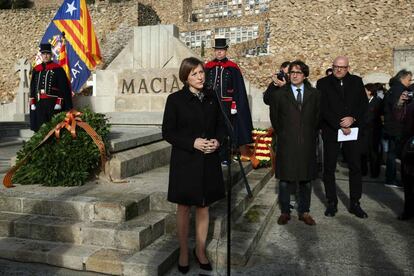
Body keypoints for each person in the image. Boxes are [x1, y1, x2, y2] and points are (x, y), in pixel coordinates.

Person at [162, 57, 225, 274]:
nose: (200, 77)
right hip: (185, 161)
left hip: (208, 160)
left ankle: (200, 250)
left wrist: (217, 141)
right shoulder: (175, 100)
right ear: (185, 77)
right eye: (194, 74)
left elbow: (221, 125)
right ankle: (183, 252)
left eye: (201, 73)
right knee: (183, 206)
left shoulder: (211, 97)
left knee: (204, 206)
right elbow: (168, 133)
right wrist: (192, 142)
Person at [269, 60, 320, 226]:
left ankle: (304, 211)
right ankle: (285, 211)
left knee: (306, 179)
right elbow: (275, 119)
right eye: (292, 72)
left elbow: (318, 118)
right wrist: (283, 134)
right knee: (285, 179)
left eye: (298, 72)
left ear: (305, 75)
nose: (295, 75)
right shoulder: (279, 95)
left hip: (307, 142)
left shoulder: (315, 94)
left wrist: (309, 133)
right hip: (287, 142)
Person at [317, 56, 369, 218]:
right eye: (336, 67)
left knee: (355, 167)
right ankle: (332, 202)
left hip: (352, 130)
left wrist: (352, 119)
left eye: (343, 67)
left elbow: (363, 106)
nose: (339, 70)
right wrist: (339, 124)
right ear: (332, 67)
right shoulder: (323, 83)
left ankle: (355, 203)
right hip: (332, 130)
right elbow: (322, 108)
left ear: (348, 68)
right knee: (329, 168)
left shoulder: (356, 81)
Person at [205, 38, 253, 159]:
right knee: (211, 128)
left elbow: (239, 89)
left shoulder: (233, 68)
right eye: (217, 50)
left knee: (225, 131)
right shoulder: (208, 67)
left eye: (221, 50)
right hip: (210, 105)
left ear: (226, 51)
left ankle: (225, 157)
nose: (219, 52)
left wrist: (235, 104)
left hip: (227, 106)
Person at [29, 43, 72, 132]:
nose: (45, 56)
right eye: (43, 54)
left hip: (52, 103)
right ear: (41, 55)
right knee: (41, 127)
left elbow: (63, 87)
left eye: (47, 54)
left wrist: (59, 102)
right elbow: (33, 87)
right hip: (39, 103)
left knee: (54, 127)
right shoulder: (36, 69)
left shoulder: (58, 69)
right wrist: (32, 102)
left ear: (51, 55)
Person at [383, 69, 412, 188]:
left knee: (392, 152)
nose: (410, 82)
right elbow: (397, 108)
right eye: (409, 79)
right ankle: (391, 179)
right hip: (397, 126)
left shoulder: (393, 89)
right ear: (402, 78)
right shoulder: (399, 90)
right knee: (393, 153)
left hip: (392, 125)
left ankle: (390, 178)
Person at [394, 91, 414, 220]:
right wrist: (401, 103)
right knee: (408, 181)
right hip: (410, 147)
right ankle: (408, 211)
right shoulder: (410, 105)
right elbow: (399, 118)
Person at [361, 83, 383, 178]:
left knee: (373, 152)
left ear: (370, 91)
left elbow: (377, 116)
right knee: (362, 152)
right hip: (364, 131)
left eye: (365, 90)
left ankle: (375, 172)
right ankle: (363, 171)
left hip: (374, 131)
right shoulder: (362, 101)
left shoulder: (378, 101)